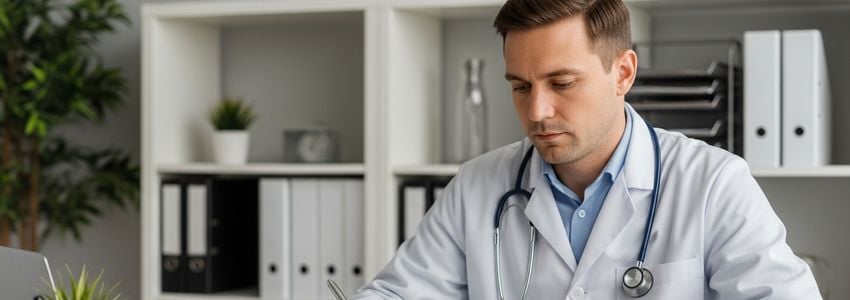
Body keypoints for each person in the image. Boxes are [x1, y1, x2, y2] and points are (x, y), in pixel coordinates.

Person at [351, 0, 821, 298]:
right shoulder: (477, 186)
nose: (536, 111)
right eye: (520, 86)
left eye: (562, 83)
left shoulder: (714, 183)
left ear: (623, 73)